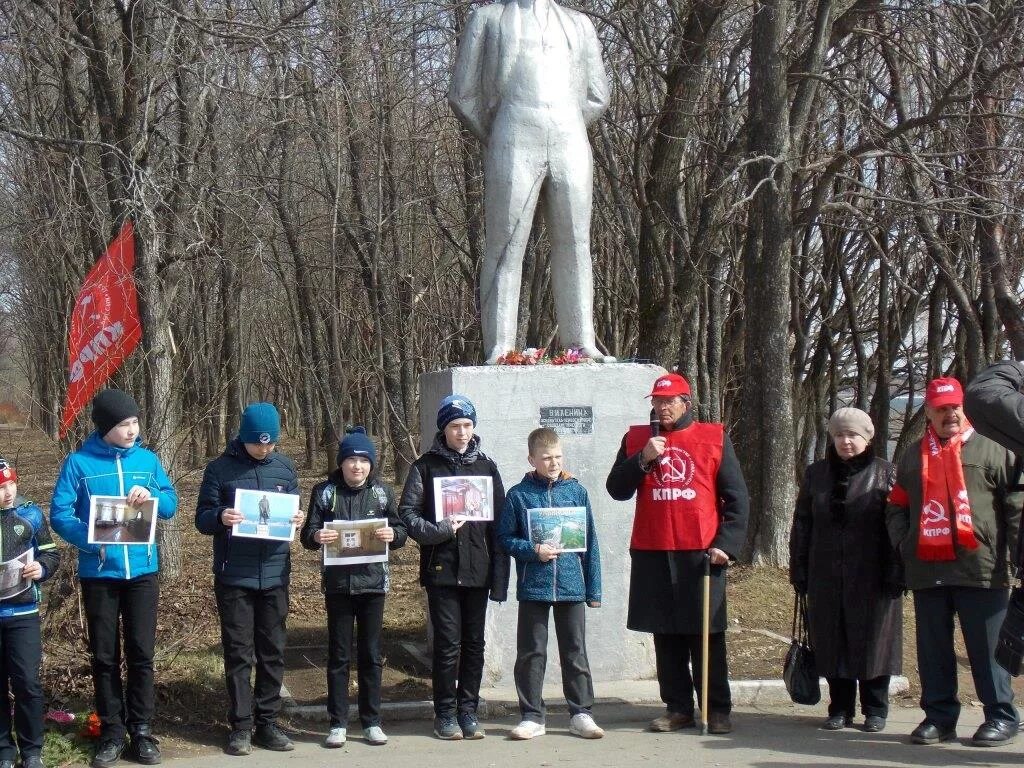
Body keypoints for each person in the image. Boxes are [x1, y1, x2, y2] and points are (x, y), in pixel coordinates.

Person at [447, 0, 614, 364]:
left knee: (575, 242)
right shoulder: (488, 18)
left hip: (570, 137)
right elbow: (462, 94)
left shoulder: (579, 24)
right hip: (511, 136)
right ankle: (500, 345)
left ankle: (581, 340)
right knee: (506, 246)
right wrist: (498, 135)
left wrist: (564, 121)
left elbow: (598, 95)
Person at [605, 373, 748, 734]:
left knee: (705, 633)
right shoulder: (637, 439)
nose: (662, 407)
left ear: (686, 402)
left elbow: (737, 498)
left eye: (669, 401)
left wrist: (726, 544)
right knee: (664, 632)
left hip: (700, 551)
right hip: (653, 549)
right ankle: (677, 706)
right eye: (657, 401)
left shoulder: (713, 437)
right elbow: (616, 489)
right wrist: (642, 459)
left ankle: (716, 708)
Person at [886, 377, 1021, 746]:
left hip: (983, 568)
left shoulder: (995, 448)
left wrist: (1013, 557)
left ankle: (1001, 716)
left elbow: (1015, 506)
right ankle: (939, 717)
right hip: (928, 569)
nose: (950, 414)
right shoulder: (913, 455)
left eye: (955, 407)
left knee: (987, 650)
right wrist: (904, 542)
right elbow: (897, 506)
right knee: (933, 652)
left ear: (966, 408)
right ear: (928, 413)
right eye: (941, 408)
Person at [49, 389, 178, 768]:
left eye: (135, 422)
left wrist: (152, 491)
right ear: (106, 427)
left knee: (141, 654)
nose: (132, 430)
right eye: (124, 424)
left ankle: (141, 731)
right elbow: (60, 514)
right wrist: (91, 542)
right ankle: (111, 732)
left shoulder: (147, 460)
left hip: (142, 572)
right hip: (100, 572)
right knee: (105, 657)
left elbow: (171, 504)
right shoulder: (79, 463)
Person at [398, 395, 509, 740]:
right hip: (442, 570)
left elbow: (500, 525)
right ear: (443, 429)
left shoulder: (487, 467)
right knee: (448, 644)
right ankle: (444, 713)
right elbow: (408, 515)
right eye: (454, 426)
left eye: (467, 426)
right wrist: (441, 530)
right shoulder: (425, 466)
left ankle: (468, 710)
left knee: (474, 644)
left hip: (479, 569)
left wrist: (500, 579)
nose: (461, 433)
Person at [195, 402, 303, 756]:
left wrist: (297, 518)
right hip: (235, 576)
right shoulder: (219, 470)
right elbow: (202, 518)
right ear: (243, 438)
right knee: (239, 653)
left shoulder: (285, 468)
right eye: (258, 443)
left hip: (274, 574)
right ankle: (240, 725)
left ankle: (268, 723)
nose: (264, 449)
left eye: (270, 443)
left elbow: (292, 508)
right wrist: (220, 516)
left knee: (272, 651)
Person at [788, 408, 902, 733]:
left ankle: (876, 709)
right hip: (826, 572)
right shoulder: (816, 474)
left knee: (874, 642)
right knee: (833, 640)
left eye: (852, 435)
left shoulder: (886, 474)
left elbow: (896, 527)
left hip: (873, 574)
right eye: (839, 435)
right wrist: (799, 569)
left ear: (867, 438)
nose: (846, 441)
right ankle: (839, 708)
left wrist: (896, 570)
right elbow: (803, 524)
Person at [300, 427, 408, 748]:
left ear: (371, 464)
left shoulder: (382, 493)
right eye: (351, 459)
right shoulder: (324, 492)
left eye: (363, 460)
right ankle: (338, 723)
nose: (357, 466)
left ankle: (372, 721)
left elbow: (400, 527)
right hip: (338, 586)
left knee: (371, 655)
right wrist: (317, 537)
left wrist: (394, 536)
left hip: (373, 584)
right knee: (338, 655)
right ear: (341, 462)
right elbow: (308, 534)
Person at [497, 427, 603, 740]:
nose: (553, 463)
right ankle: (532, 715)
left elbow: (591, 543)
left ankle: (581, 713)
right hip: (534, 587)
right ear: (531, 459)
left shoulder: (577, 492)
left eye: (557, 456)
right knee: (531, 652)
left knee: (575, 650)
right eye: (546, 458)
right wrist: (533, 550)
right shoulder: (518, 495)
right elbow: (504, 539)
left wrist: (593, 590)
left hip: (572, 585)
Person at [0, 459, 59, 768]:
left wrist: (42, 567)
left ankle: (32, 750)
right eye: (0, 487)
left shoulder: (31, 514)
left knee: (26, 682)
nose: (8, 492)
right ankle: (3, 750)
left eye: (12, 484)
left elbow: (51, 552)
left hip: (23, 611)